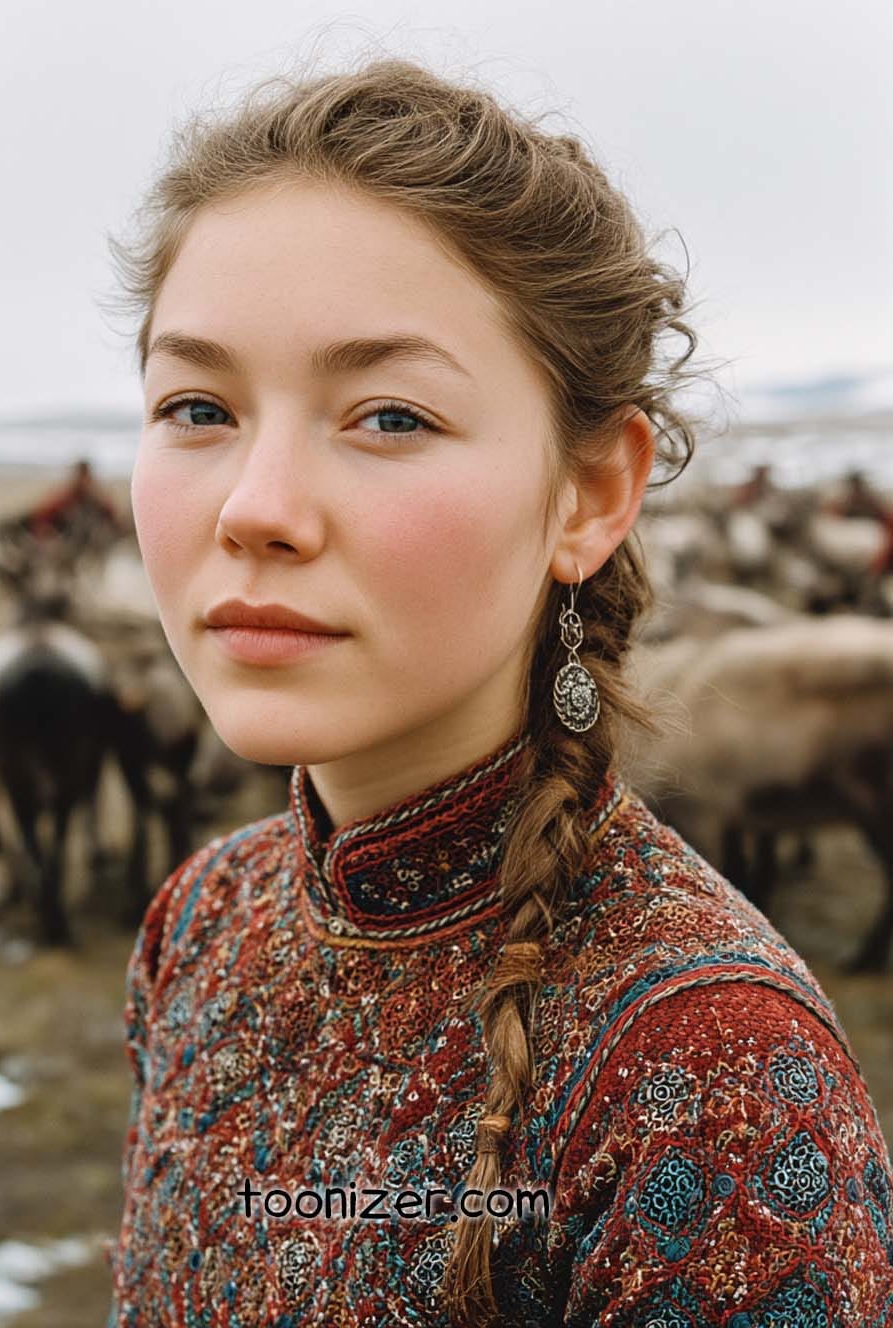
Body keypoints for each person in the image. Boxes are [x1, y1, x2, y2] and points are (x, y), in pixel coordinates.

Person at [104, 54, 893, 1327]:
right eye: (197, 404)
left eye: (391, 417)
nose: (254, 508)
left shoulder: (715, 1077)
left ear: (589, 492)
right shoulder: (200, 926)